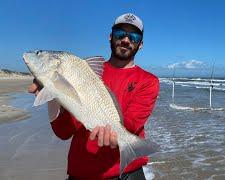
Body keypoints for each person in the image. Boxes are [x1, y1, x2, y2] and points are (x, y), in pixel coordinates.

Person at [28, 13, 159, 179]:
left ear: (140, 44)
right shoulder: (84, 72)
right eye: (120, 34)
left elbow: (132, 124)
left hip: (127, 173)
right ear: (110, 37)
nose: (126, 40)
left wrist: (113, 130)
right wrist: (53, 94)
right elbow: (63, 132)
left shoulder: (149, 81)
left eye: (133, 36)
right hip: (81, 172)